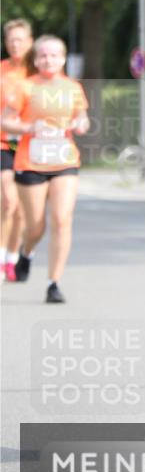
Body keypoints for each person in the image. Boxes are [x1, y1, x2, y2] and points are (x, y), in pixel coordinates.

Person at [0, 35, 89, 303]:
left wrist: (82, 124)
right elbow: (5, 122)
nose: (48, 60)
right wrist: (28, 128)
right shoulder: (25, 88)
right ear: (36, 60)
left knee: (62, 219)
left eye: (53, 55)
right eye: (43, 56)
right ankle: (26, 252)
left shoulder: (73, 88)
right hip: (31, 162)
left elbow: (81, 116)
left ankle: (53, 283)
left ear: (63, 59)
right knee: (35, 226)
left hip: (64, 160)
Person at [0, 18, 34, 281]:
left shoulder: (37, 74)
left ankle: (12, 258)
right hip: (3, 143)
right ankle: (1, 257)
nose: (15, 44)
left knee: (23, 210)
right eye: (11, 39)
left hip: (29, 146)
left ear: (30, 42)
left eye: (20, 39)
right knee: (8, 201)